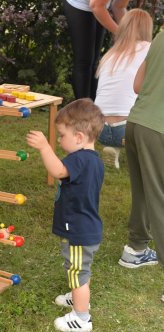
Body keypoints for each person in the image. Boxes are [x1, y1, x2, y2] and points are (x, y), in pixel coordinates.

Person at [27, 99, 105, 332]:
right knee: (80, 269)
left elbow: (59, 171)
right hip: (85, 227)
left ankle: (81, 318)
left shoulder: (78, 159)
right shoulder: (94, 160)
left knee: (77, 272)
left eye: (61, 136)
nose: (59, 141)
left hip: (79, 231)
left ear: (79, 138)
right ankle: (77, 295)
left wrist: (44, 147)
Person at [118, 29, 164, 276]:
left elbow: (138, 85)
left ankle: (135, 249)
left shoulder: (160, 35)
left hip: (137, 123)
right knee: (159, 196)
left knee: (145, 191)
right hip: (159, 128)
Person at [94, 8, 153, 168]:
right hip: (128, 130)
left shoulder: (111, 54)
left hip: (98, 128)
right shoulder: (150, 49)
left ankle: (112, 148)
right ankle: (143, 152)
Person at [63, 0, 129, 100]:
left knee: (94, 63)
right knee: (84, 62)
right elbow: (96, 6)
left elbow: (118, 7)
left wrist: (130, 33)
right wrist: (120, 33)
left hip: (99, 5)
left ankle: (94, 107)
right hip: (80, 5)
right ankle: (83, 110)